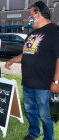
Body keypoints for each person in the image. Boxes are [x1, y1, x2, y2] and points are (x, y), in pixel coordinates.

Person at [5, 1, 59, 140]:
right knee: (30, 111)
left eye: (30, 14)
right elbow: (27, 53)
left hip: (44, 85)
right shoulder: (32, 34)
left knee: (45, 115)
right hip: (28, 82)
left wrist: (56, 81)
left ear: (38, 13)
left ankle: (49, 138)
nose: (29, 18)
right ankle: (34, 133)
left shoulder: (54, 31)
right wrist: (12, 59)